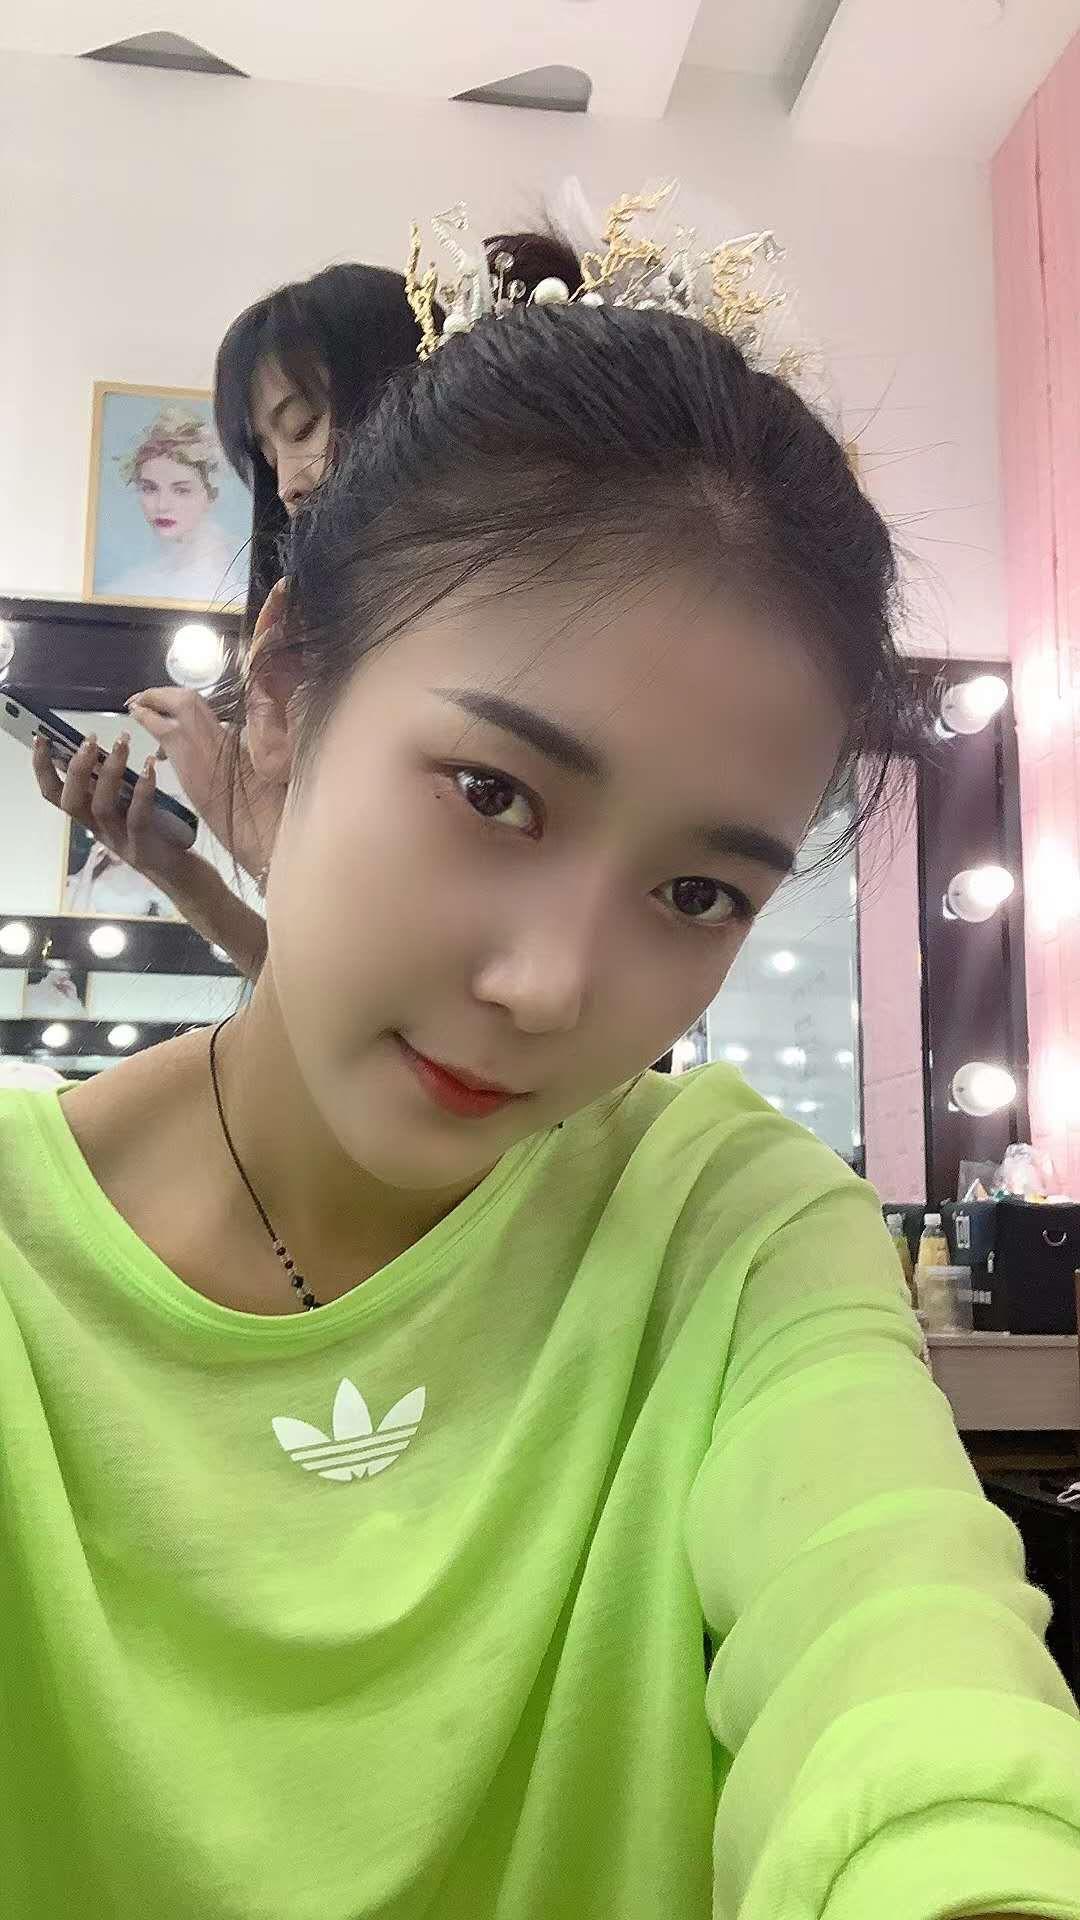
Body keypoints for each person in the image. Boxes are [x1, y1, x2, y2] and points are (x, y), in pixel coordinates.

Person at [2, 201, 1076, 1920]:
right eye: (493, 793)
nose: (549, 988)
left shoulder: (727, 1229)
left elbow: (903, 1664)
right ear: (282, 691)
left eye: (698, 893)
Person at [34, 245, 580, 974]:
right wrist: (178, 868)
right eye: (266, 455)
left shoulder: (514, 640)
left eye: (303, 427)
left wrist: (256, 834)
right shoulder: (348, 654)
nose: (289, 483)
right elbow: (322, 1002)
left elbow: (401, 999)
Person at [103, 405, 246, 606]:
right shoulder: (131, 584)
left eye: (181, 491)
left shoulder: (236, 577)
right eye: (149, 488)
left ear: (211, 494)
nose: (162, 505)